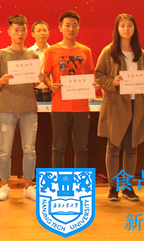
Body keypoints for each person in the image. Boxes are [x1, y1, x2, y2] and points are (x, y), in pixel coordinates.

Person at [95, 14, 144, 202]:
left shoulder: (140, 52)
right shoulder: (109, 51)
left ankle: (127, 188)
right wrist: (113, 82)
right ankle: (113, 188)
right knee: (113, 147)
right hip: (116, 104)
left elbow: (143, 76)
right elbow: (98, 75)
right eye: (122, 26)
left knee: (132, 147)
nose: (126, 29)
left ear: (135, 29)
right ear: (117, 29)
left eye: (130, 26)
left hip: (136, 103)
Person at [0, 15, 41, 202]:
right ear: (9, 31)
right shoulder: (0, 55)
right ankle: (4, 185)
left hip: (29, 107)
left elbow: (34, 83)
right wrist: (2, 81)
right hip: (7, 108)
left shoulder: (32, 55)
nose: (20, 33)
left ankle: (28, 186)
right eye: (16, 30)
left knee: (30, 149)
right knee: (4, 150)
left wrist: (39, 80)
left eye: (23, 30)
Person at [43, 11, 95, 169]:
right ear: (60, 28)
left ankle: (80, 183)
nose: (71, 29)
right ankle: (58, 182)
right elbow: (45, 76)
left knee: (81, 149)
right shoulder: (51, 51)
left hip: (81, 107)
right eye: (67, 25)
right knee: (58, 148)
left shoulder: (86, 51)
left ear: (79, 28)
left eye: (74, 25)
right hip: (59, 106)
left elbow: (90, 76)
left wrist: (93, 85)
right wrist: (50, 85)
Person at [27, 20, 51, 102]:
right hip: (33, 93)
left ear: (48, 33)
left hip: (52, 92)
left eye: (44, 30)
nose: (42, 33)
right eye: (39, 31)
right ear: (32, 34)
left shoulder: (54, 51)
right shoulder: (28, 53)